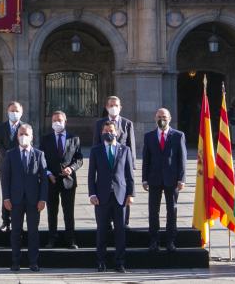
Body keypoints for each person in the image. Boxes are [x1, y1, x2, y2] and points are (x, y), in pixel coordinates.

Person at [0, 124, 48, 272]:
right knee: (16, 231)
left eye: (26, 134)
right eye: (20, 134)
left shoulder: (39, 154)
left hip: (34, 200)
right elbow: (5, 178)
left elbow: (44, 179)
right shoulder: (10, 154)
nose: (23, 137)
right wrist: (6, 198)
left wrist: (43, 199)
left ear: (31, 136)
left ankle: (33, 262)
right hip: (15, 200)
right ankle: (15, 261)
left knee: (33, 232)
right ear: (17, 136)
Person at [89, 121, 135, 273]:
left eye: (111, 130)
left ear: (117, 133)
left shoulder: (125, 150)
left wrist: (131, 194)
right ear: (102, 133)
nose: (108, 133)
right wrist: (92, 194)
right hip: (101, 197)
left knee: (120, 231)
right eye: (105, 131)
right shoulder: (96, 150)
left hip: (120, 196)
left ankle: (120, 262)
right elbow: (91, 175)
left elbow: (129, 175)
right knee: (101, 230)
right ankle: (101, 262)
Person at [142, 107, 187, 252]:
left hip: (172, 179)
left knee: (171, 211)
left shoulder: (178, 135)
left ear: (170, 119)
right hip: (154, 178)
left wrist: (182, 179)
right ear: (155, 118)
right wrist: (144, 179)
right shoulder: (149, 136)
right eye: (159, 117)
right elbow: (146, 159)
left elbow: (182, 159)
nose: (162, 119)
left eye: (164, 117)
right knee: (153, 211)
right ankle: (154, 240)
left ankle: (170, 241)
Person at [41, 110, 83, 249]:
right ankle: (52, 239)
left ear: (65, 121)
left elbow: (79, 159)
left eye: (59, 120)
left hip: (68, 180)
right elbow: (41, 159)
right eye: (54, 120)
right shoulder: (46, 139)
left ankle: (71, 240)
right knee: (52, 212)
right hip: (51, 180)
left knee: (69, 212)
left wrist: (71, 168)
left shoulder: (74, 138)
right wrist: (47, 173)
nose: (56, 123)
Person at [0, 100, 27, 232]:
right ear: (7, 112)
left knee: (19, 194)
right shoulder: (1, 127)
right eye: (12, 111)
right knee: (6, 194)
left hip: (20, 165)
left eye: (17, 111)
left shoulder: (25, 127)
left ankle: (18, 222)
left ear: (21, 112)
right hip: (5, 164)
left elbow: (28, 143)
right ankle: (5, 221)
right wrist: (8, 157)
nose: (14, 113)